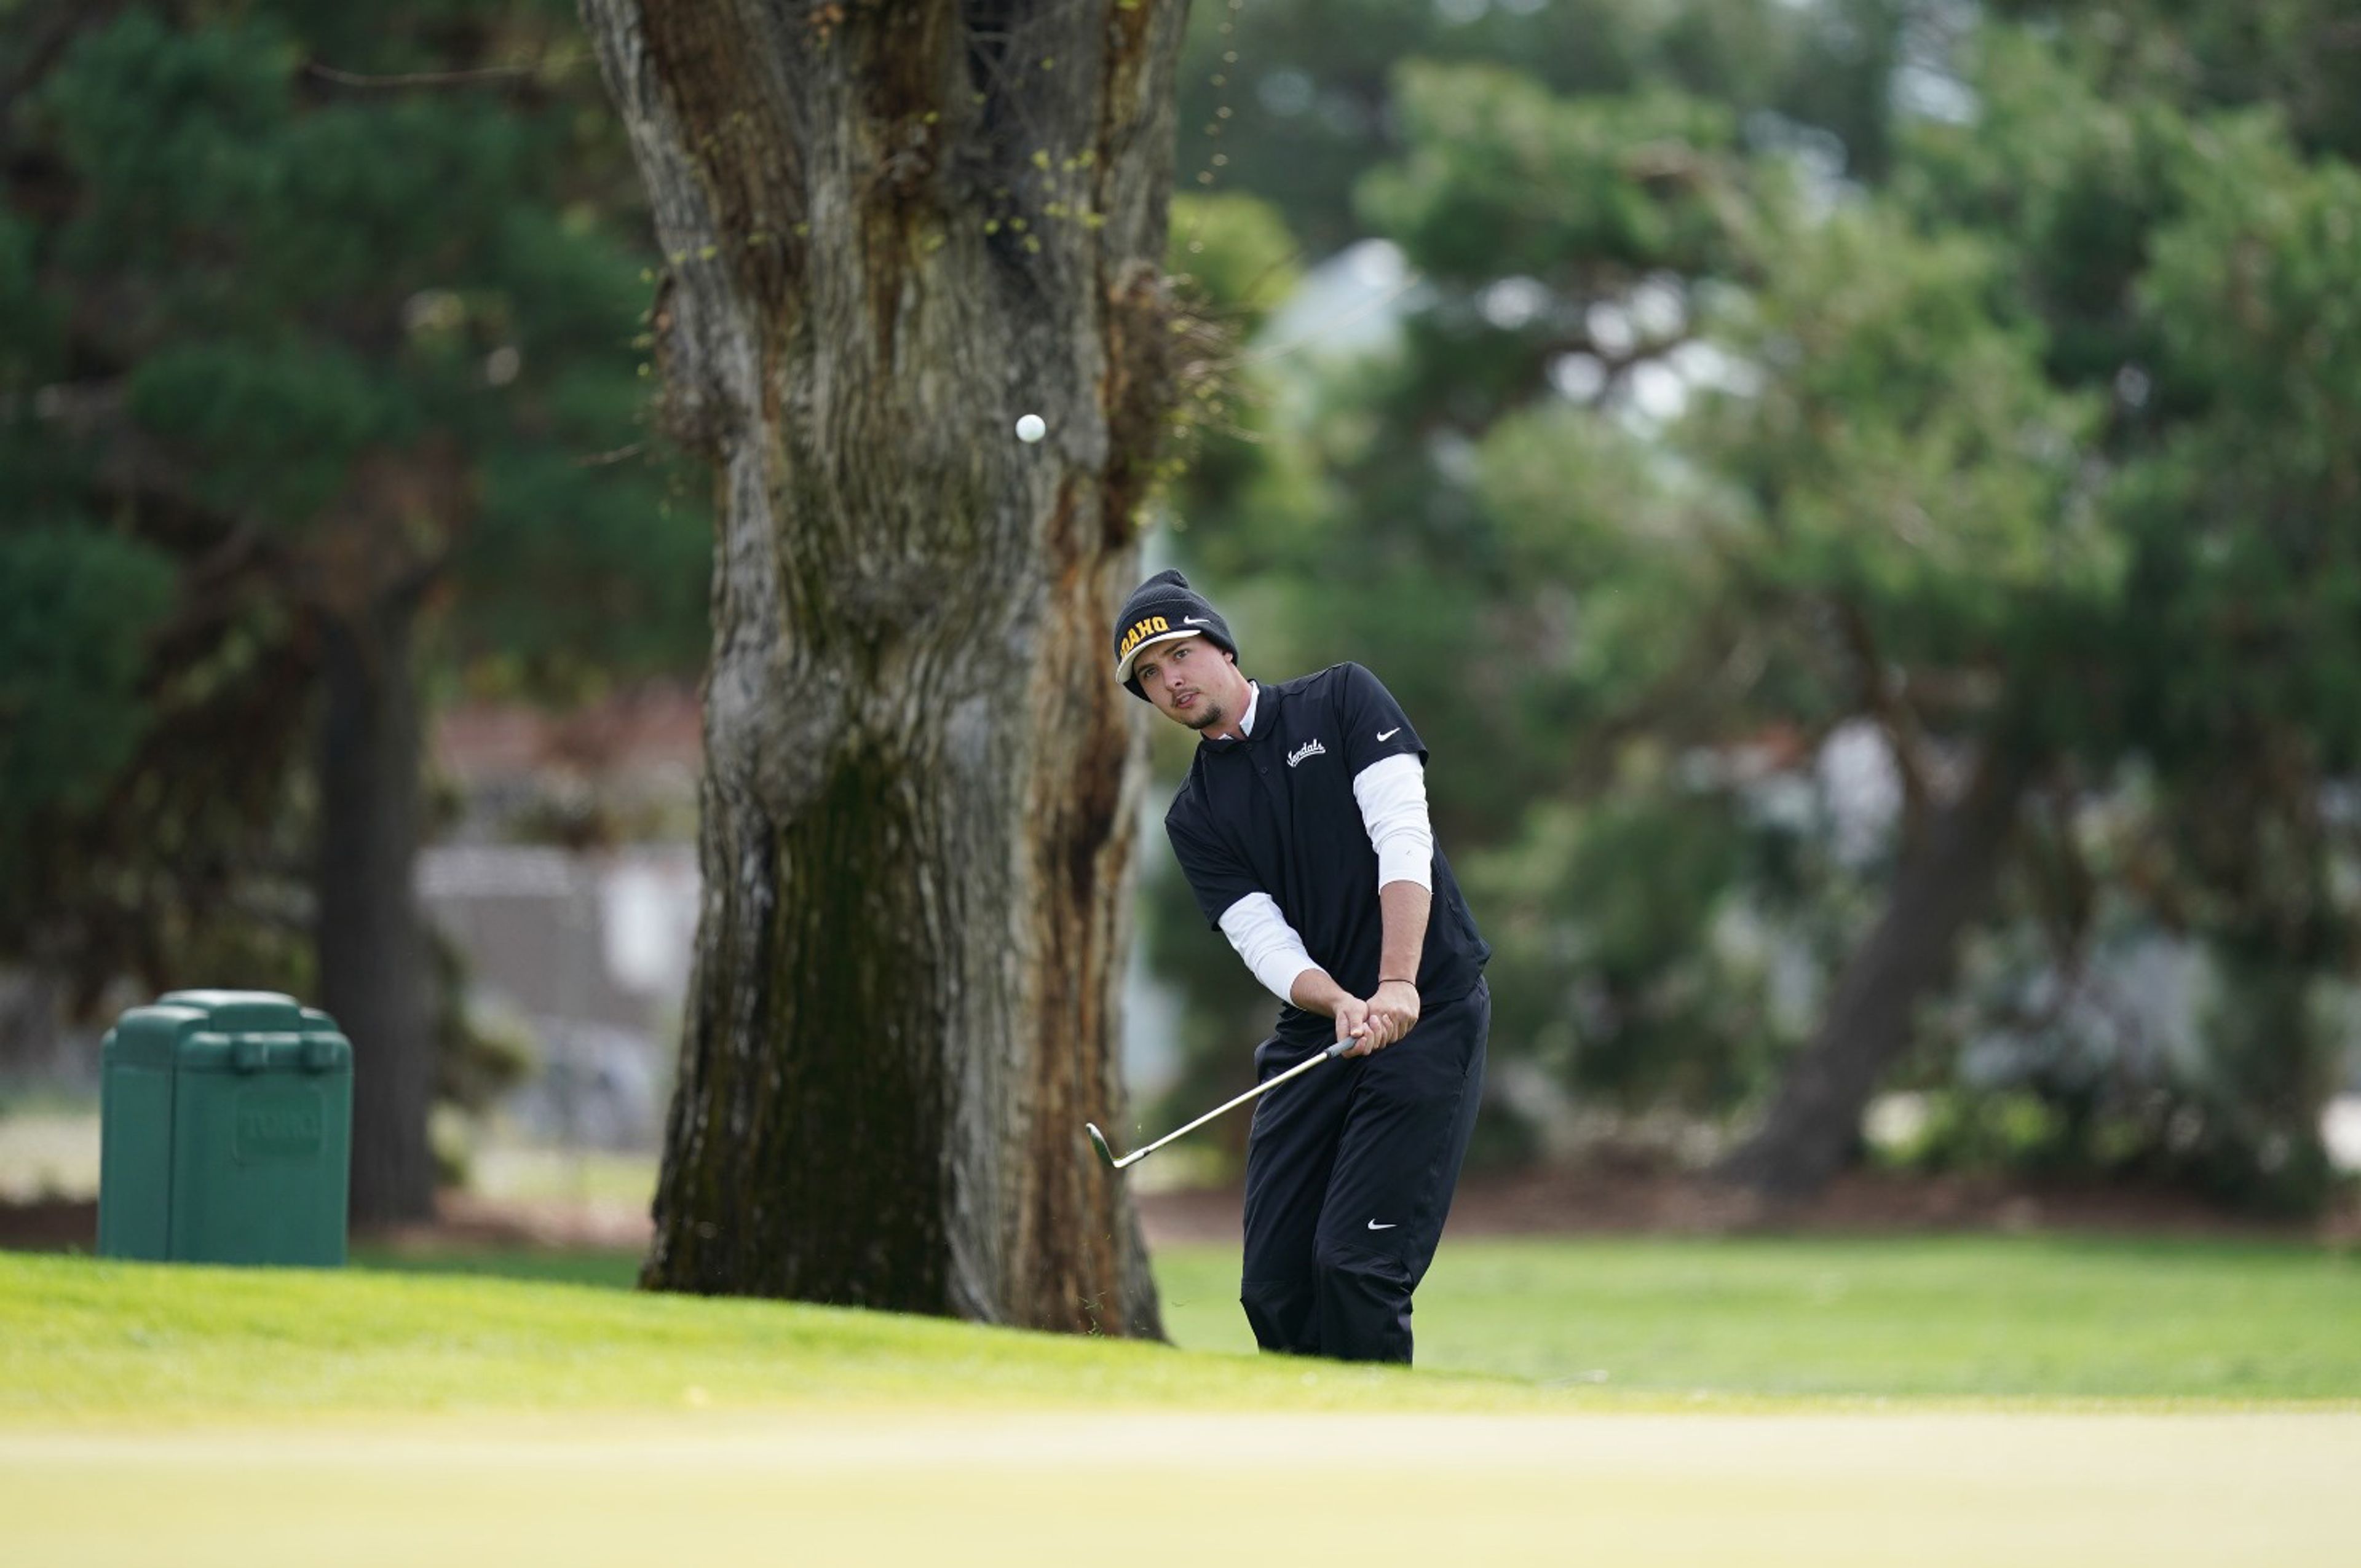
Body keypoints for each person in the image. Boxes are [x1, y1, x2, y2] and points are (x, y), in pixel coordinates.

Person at [1112, 568, 1490, 1364]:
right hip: (1323, 1026)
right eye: (1149, 676)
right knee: (1275, 1284)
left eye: (1179, 655)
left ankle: (1379, 1467)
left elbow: (1403, 838)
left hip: (1428, 1004)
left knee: (1357, 1267)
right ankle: (1311, 1455)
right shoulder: (1194, 814)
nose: (1169, 680)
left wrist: (1395, 983)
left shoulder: (1343, 701)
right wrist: (1340, 1001)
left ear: (1220, 645)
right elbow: (1264, 940)